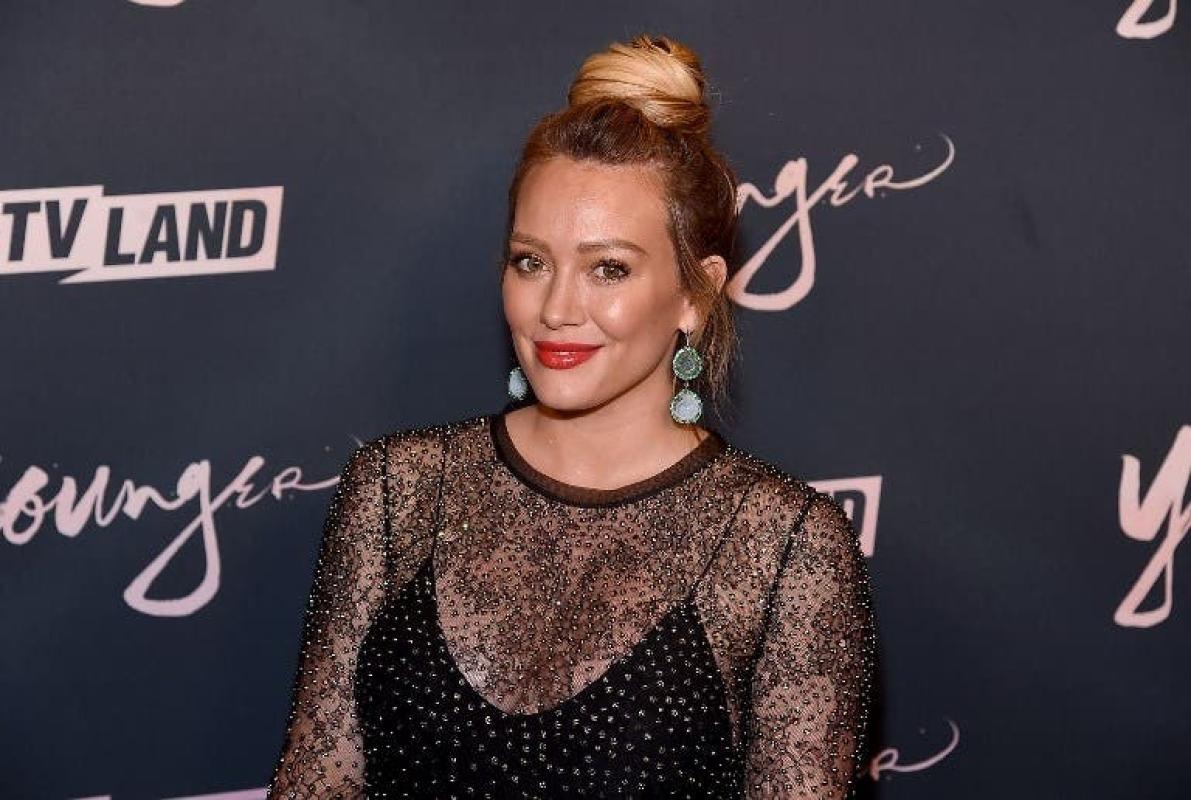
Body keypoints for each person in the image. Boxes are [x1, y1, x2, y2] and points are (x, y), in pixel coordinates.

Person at [267, 33, 876, 799]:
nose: (556, 308)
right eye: (531, 262)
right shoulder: (395, 489)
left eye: (608, 269)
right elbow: (316, 780)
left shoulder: (783, 546)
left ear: (695, 294)